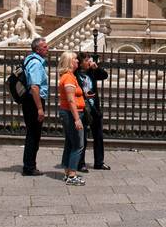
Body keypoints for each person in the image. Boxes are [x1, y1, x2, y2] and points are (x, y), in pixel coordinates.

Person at [20, 37, 49, 176]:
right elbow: (34, 87)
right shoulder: (36, 64)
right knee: (33, 135)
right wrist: (39, 108)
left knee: (32, 134)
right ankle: (29, 167)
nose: (47, 49)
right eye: (44, 47)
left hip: (30, 101)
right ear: (37, 49)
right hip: (34, 101)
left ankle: (30, 164)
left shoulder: (29, 59)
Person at [56, 50, 86, 186]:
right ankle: (72, 174)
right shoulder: (68, 78)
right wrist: (77, 119)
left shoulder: (70, 76)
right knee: (78, 145)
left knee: (70, 142)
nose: (78, 61)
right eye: (75, 59)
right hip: (71, 113)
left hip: (69, 112)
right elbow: (71, 100)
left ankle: (68, 171)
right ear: (69, 62)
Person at [78, 53, 109, 171]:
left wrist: (96, 68)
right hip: (83, 109)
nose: (89, 62)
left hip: (94, 108)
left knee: (98, 136)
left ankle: (99, 162)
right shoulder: (76, 75)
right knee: (82, 137)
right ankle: (81, 163)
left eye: (89, 60)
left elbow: (104, 75)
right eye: (86, 60)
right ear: (80, 63)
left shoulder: (92, 72)